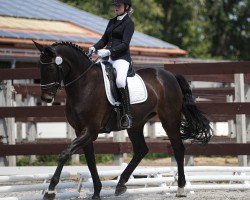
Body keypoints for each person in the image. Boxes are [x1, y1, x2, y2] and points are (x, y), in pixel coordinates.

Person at [89, 0, 134, 129]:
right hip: (108, 58)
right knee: (93, 72)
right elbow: (104, 39)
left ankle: (127, 114)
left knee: (120, 81)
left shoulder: (129, 23)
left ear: (126, 7)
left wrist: (107, 51)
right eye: (115, 5)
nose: (116, 7)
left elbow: (125, 44)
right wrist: (94, 47)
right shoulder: (112, 21)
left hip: (121, 58)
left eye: (118, 5)